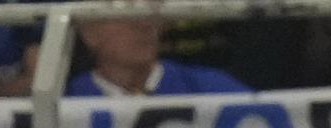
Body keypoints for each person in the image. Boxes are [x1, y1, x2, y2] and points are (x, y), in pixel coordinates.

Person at [66, 11, 249, 99]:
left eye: (149, 11)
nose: (143, 25)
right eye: (124, 13)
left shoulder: (217, 90)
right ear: (88, 32)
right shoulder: (62, 106)